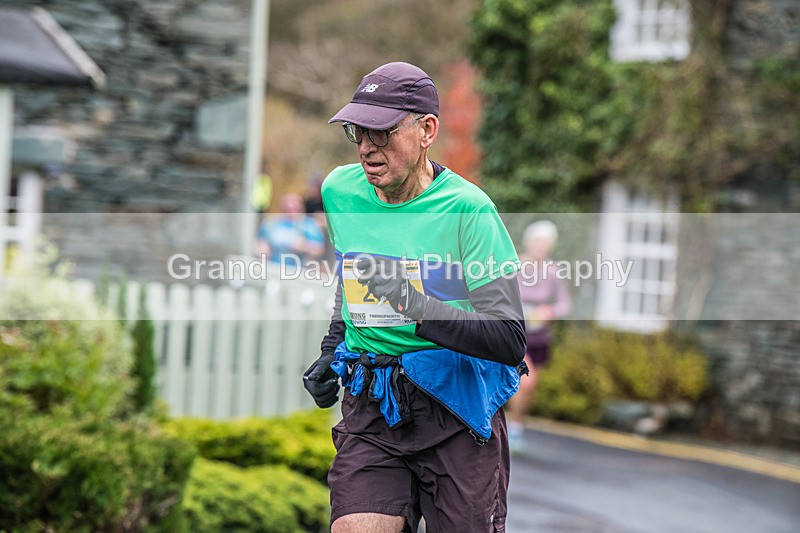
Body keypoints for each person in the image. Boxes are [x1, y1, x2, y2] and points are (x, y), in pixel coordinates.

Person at [301, 62, 527, 533]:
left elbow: (509, 338)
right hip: (374, 404)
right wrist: (331, 349)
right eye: (357, 132)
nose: (366, 148)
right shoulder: (341, 191)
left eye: (381, 133)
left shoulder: (469, 210)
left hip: (455, 411)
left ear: (426, 130)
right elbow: (351, 279)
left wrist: (417, 306)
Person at [506, 220, 572, 452]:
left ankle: (515, 427)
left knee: (529, 388)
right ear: (529, 241)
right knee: (526, 383)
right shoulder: (514, 266)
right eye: (538, 241)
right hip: (515, 333)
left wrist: (551, 311)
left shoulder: (553, 271)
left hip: (539, 337)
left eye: (547, 243)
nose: (542, 246)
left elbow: (565, 303)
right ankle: (511, 429)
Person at [255, 191, 325, 269]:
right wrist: (262, 249)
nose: (290, 213)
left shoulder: (309, 225)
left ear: (301, 208)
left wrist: (304, 246)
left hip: (298, 271)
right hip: (273, 269)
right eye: (287, 209)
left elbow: (319, 250)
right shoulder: (271, 223)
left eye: (294, 209)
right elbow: (259, 243)